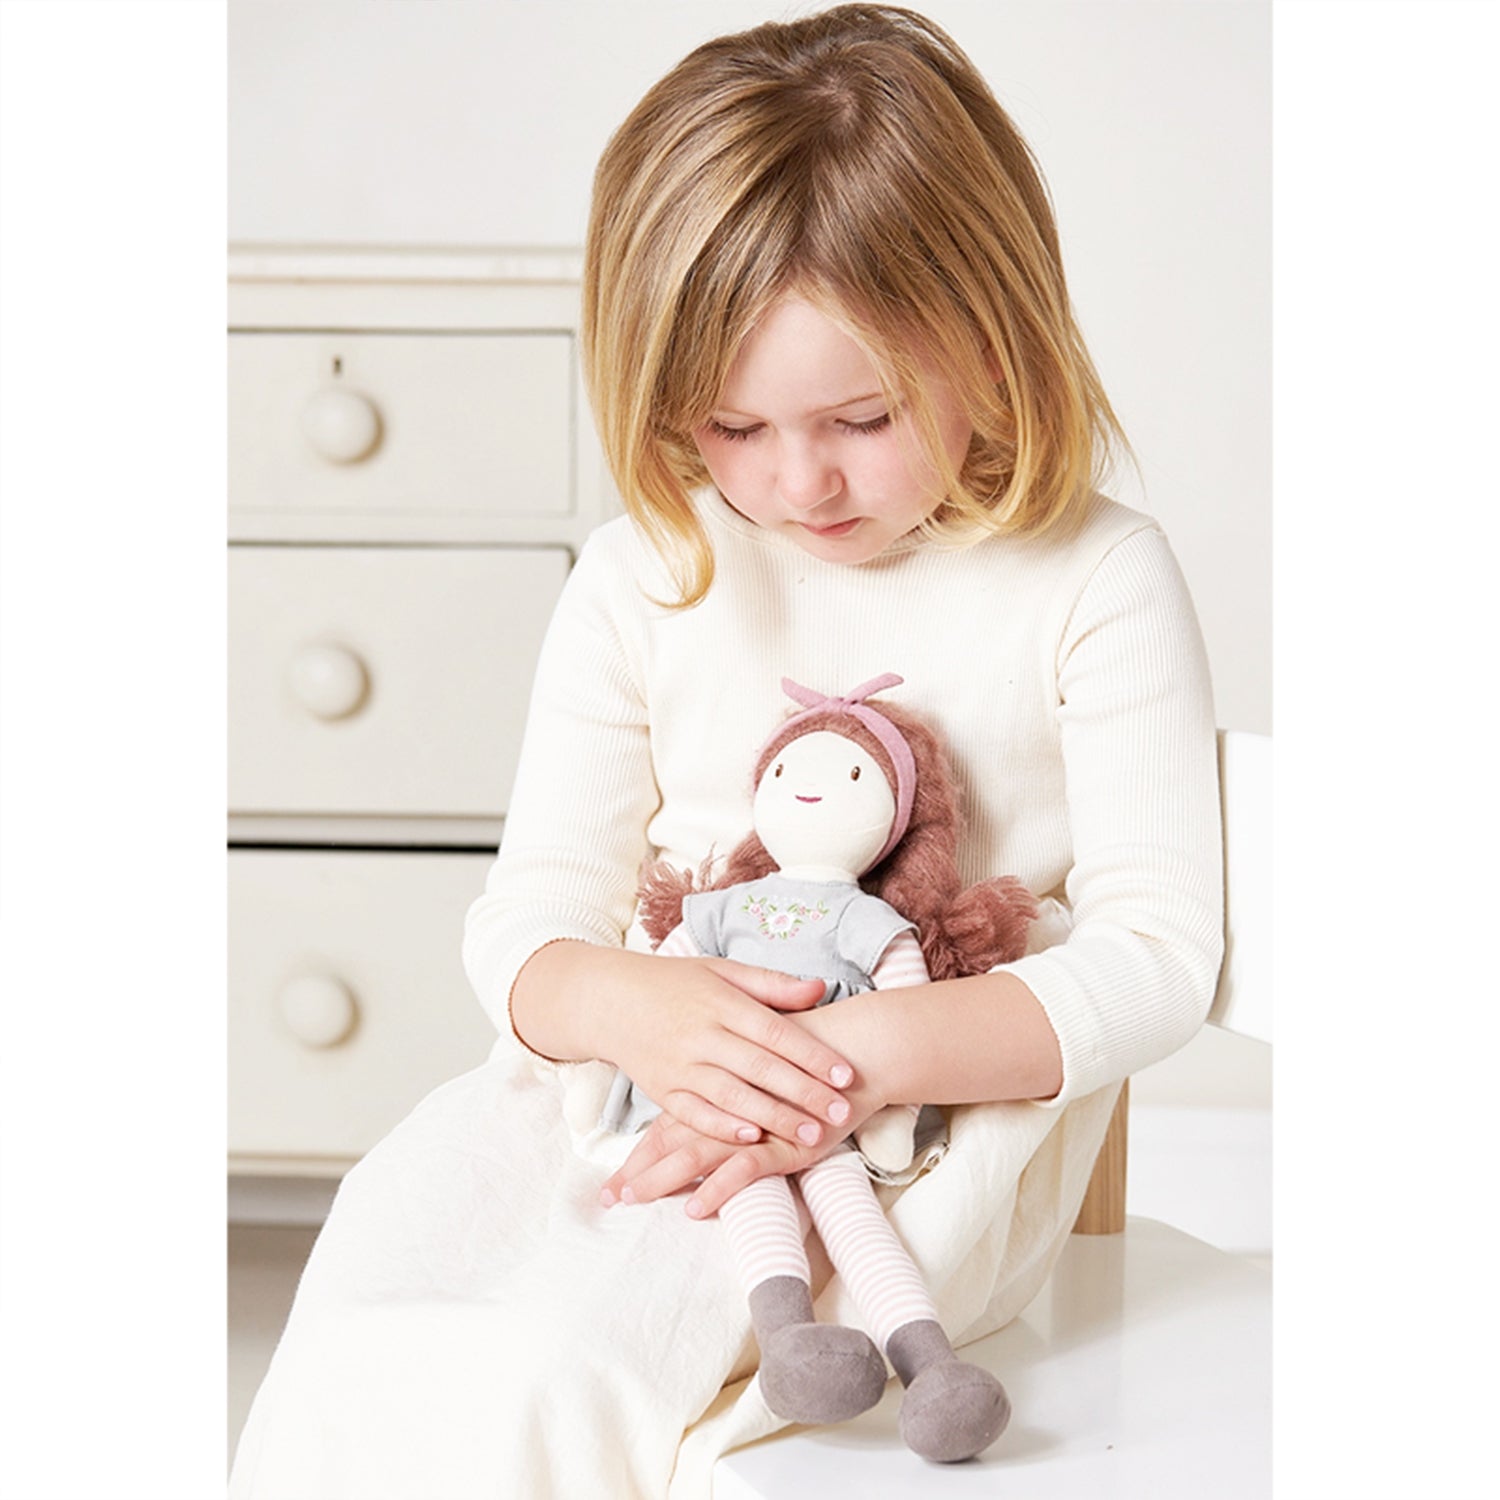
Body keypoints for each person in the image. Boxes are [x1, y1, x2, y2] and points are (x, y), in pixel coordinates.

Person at [229, 6, 1223, 1497]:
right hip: (630, 1085)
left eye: (862, 415)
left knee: (557, 1371)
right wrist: (644, 1016)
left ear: (997, 343)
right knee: (380, 1298)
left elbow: (1157, 956)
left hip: (917, 1131)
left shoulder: (1093, 576)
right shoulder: (649, 573)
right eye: (729, 426)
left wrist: (835, 1057)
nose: (794, 479)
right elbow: (525, 927)